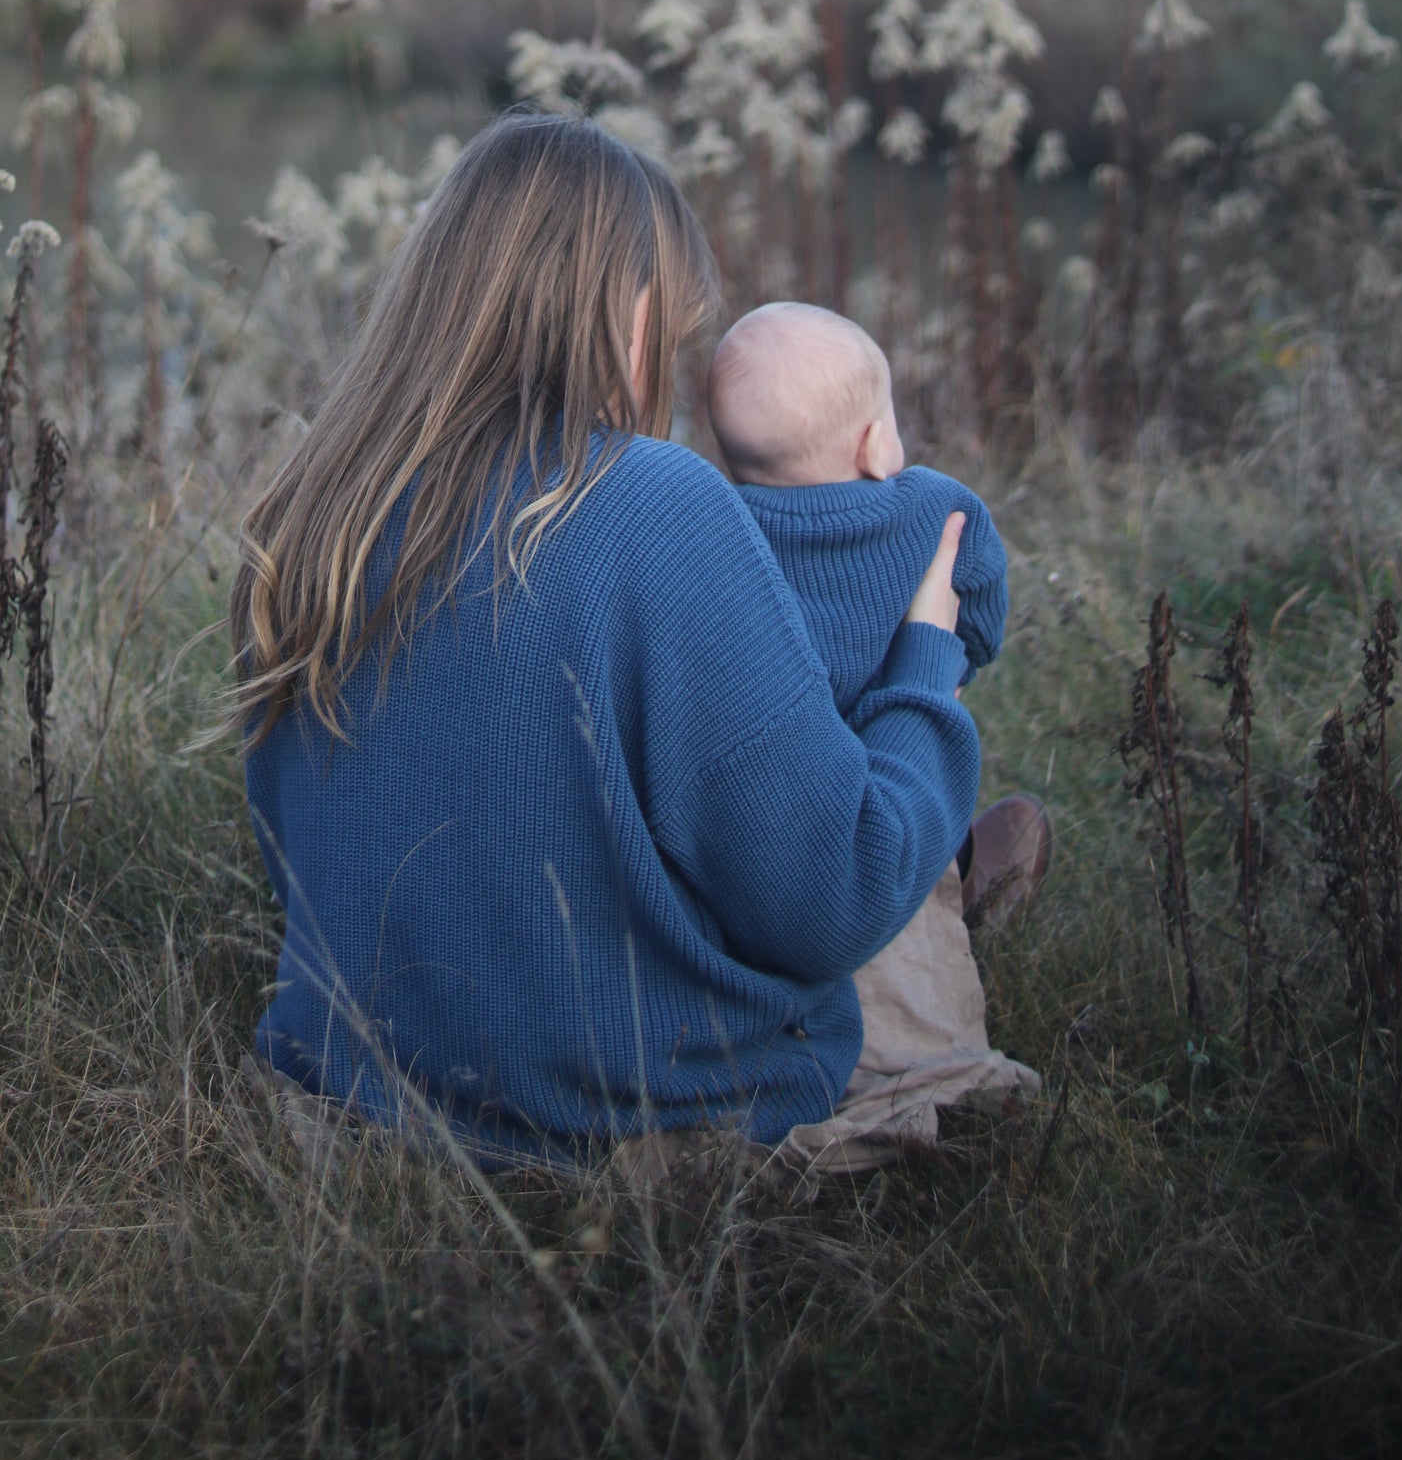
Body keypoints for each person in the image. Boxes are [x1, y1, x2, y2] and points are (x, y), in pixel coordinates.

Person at [232, 113, 1021, 1170]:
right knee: (874, 854)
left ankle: (953, 857)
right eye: (676, 326)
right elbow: (833, 903)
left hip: (361, 1081)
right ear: (625, 306)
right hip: (620, 1110)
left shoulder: (306, 511)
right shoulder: (653, 506)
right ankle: (947, 860)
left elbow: (306, 851)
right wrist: (925, 660)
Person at [706, 301, 1048, 1168]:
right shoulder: (936, 509)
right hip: (872, 791)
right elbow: (981, 616)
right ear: (875, 443)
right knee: (910, 836)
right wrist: (946, 655)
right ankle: (934, 1012)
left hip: (759, 806)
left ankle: (957, 879)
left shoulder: (713, 533)